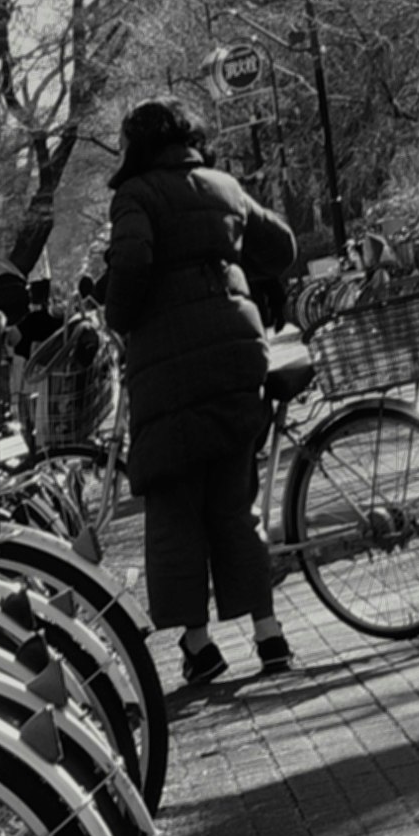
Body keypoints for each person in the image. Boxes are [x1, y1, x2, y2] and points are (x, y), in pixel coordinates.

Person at [98, 101, 304, 699]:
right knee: (233, 503)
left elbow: (132, 264)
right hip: (238, 359)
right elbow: (283, 246)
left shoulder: (135, 196)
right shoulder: (222, 186)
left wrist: (120, 309)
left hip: (169, 372)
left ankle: (199, 646)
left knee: (173, 509)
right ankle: (270, 636)